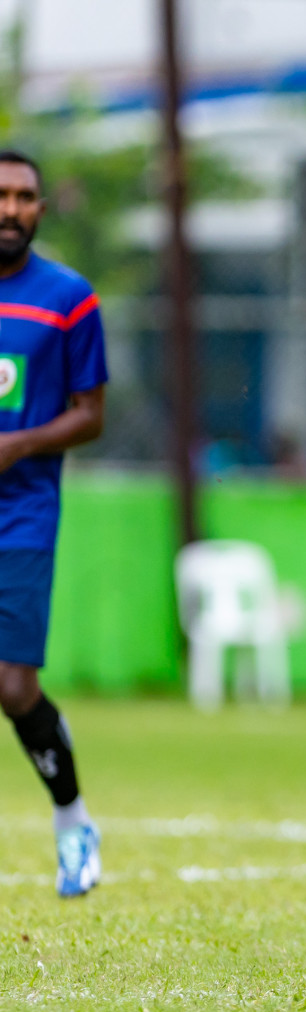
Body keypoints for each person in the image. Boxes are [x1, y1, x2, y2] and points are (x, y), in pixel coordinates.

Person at [0, 150, 107, 897]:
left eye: (25, 197)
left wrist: (19, 445)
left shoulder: (70, 299)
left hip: (23, 511)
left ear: (41, 208)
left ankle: (74, 824)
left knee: (12, 686)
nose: (10, 208)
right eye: (0, 195)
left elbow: (91, 416)